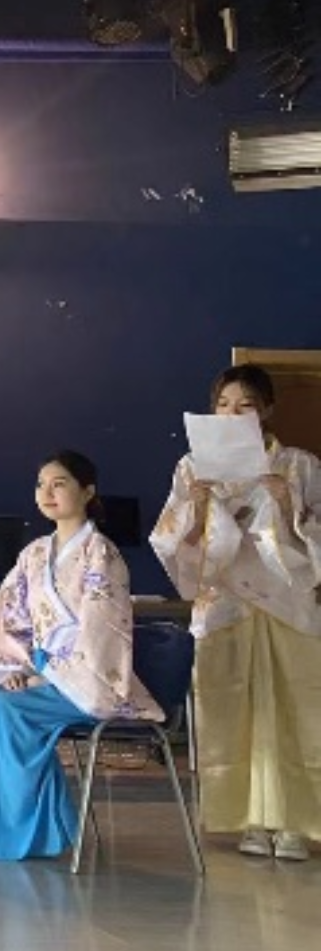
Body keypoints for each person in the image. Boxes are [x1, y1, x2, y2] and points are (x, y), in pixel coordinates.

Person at [151, 363, 321, 862]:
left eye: (245, 405)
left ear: (266, 410)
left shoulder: (298, 465)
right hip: (225, 602)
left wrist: (289, 506)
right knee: (232, 710)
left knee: (294, 710)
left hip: (286, 603)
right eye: (223, 405)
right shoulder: (192, 468)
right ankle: (247, 820)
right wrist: (196, 509)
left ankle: (295, 823)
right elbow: (170, 541)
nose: (232, 413)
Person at [0, 451, 162, 861]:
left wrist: (48, 676)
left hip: (88, 679)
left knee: (6, 712)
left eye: (60, 483)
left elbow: (101, 632)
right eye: (41, 485)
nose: (47, 492)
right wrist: (15, 669)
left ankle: (35, 833)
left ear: (87, 491)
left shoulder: (101, 553)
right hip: (41, 671)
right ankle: (2, 829)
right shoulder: (34, 554)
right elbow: (8, 619)